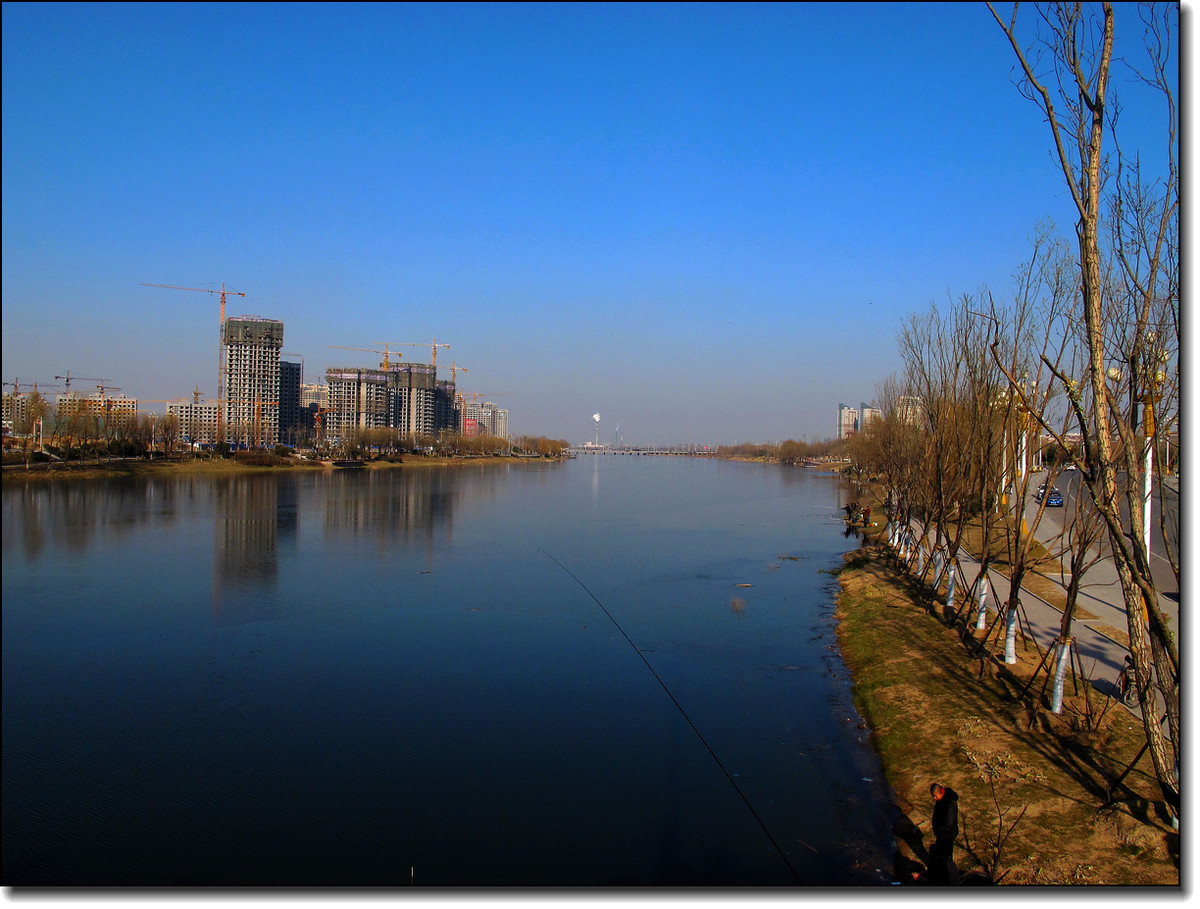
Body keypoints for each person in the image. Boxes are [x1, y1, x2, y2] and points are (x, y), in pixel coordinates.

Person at [929, 783, 960, 884]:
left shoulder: (950, 804)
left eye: (935, 795)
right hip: (941, 834)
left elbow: (949, 824)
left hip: (947, 835)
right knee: (940, 855)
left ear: (940, 792)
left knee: (947, 856)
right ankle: (941, 872)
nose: (934, 798)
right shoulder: (941, 800)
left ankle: (948, 876)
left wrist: (939, 830)